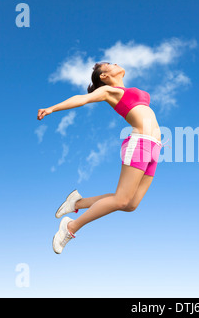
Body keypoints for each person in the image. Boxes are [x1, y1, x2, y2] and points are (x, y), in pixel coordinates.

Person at [37, 62, 163, 254]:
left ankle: (77, 203)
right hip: (139, 143)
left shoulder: (125, 90)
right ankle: (70, 227)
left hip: (155, 147)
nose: (115, 63)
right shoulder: (108, 91)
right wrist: (51, 109)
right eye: (109, 64)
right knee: (121, 199)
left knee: (130, 204)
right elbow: (82, 99)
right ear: (103, 76)